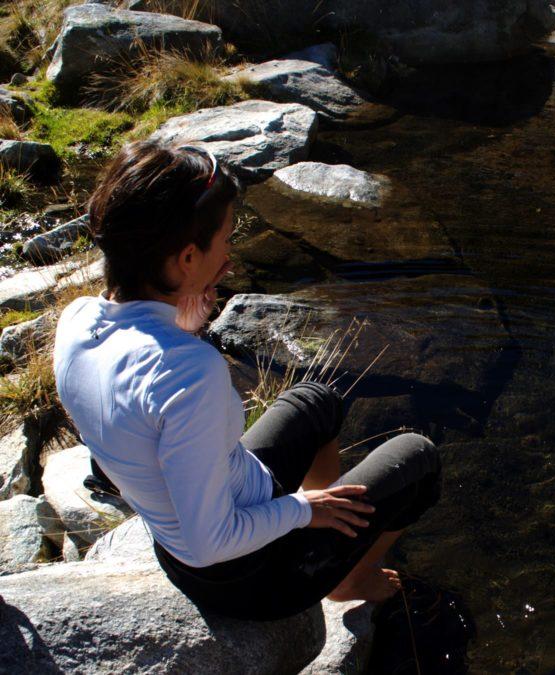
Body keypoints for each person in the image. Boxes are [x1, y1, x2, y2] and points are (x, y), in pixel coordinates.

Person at [52, 140, 441, 621]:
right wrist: (302, 510)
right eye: (225, 241)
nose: (231, 258)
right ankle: (344, 575)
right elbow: (207, 543)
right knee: (419, 459)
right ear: (187, 259)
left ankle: (336, 541)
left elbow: (137, 418)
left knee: (317, 400)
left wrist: (182, 322)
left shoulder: (77, 320)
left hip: (219, 512)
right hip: (245, 578)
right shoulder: (189, 373)